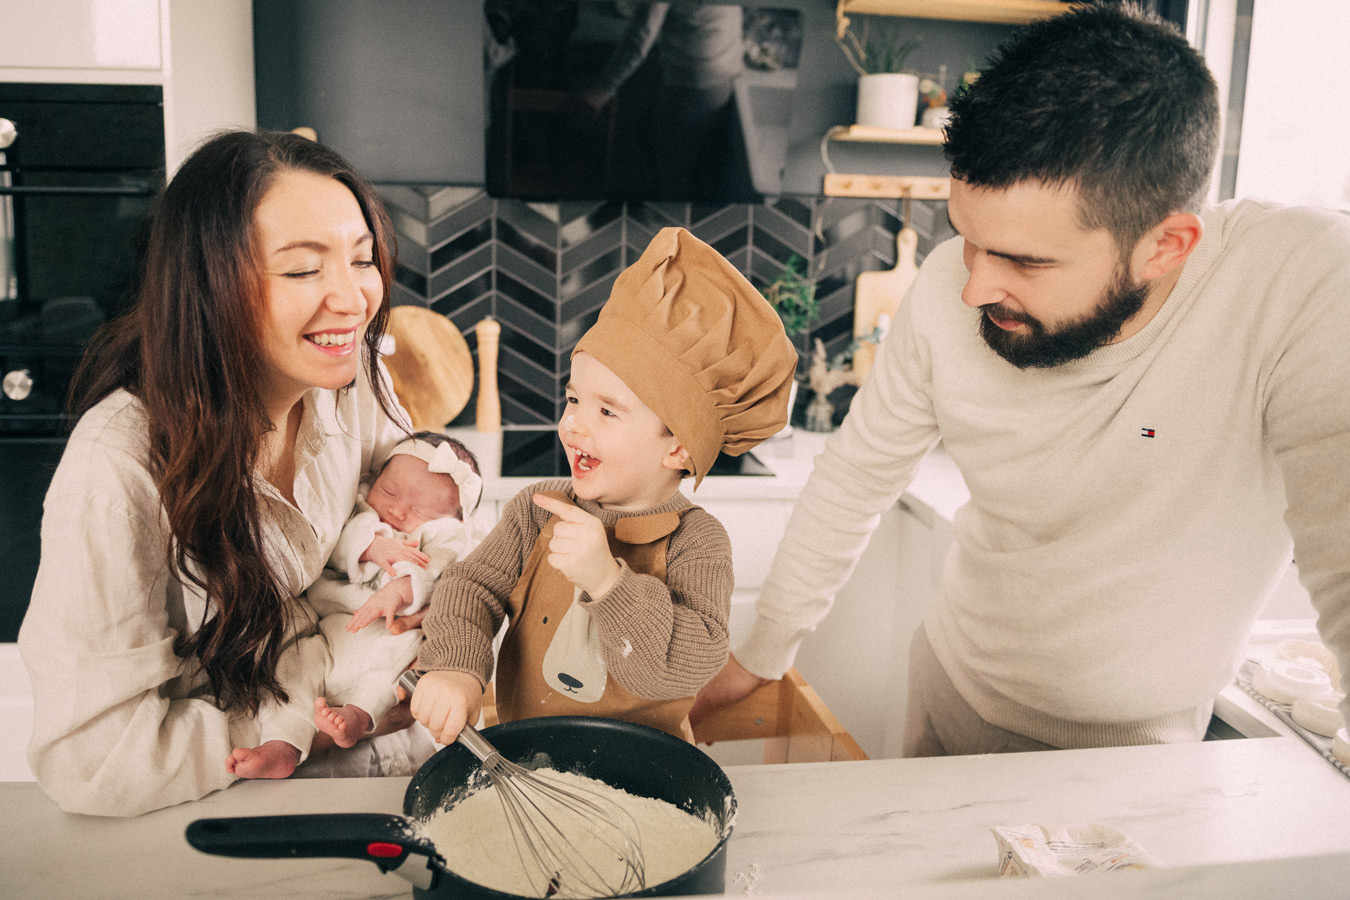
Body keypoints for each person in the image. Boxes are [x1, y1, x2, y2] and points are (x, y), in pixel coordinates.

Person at [691, 2, 1350, 756]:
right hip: (948, 686)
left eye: (1026, 262)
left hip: (1135, 752)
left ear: (1167, 245)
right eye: (967, 239)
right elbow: (854, 477)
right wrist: (761, 654)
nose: (972, 287)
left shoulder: (1301, 281)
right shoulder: (947, 288)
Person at [17, 130, 435, 816]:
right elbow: (91, 760)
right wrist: (306, 729)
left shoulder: (353, 379)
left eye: (362, 260)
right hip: (212, 800)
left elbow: (417, 521)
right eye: (303, 270)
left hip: (371, 758)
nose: (354, 299)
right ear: (209, 282)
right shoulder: (116, 468)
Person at [408, 227, 797, 745]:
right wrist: (457, 669)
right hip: (529, 762)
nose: (573, 425)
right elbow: (470, 589)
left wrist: (609, 583)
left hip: (649, 775)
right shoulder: (537, 510)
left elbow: (684, 669)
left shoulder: (697, 543)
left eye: (607, 411)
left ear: (678, 446)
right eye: (573, 400)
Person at [228, 432, 486, 779]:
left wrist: (402, 588)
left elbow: (444, 569)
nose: (397, 509)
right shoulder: (360, 513)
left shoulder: (449, 537)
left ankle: (357, 716)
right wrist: (371, 548)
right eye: (390, 492)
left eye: (421, 510)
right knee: (294, 668)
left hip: (390, 631)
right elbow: (328, 545)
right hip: (331, 628)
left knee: (394, 667)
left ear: (453, 519)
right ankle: (282, 745)